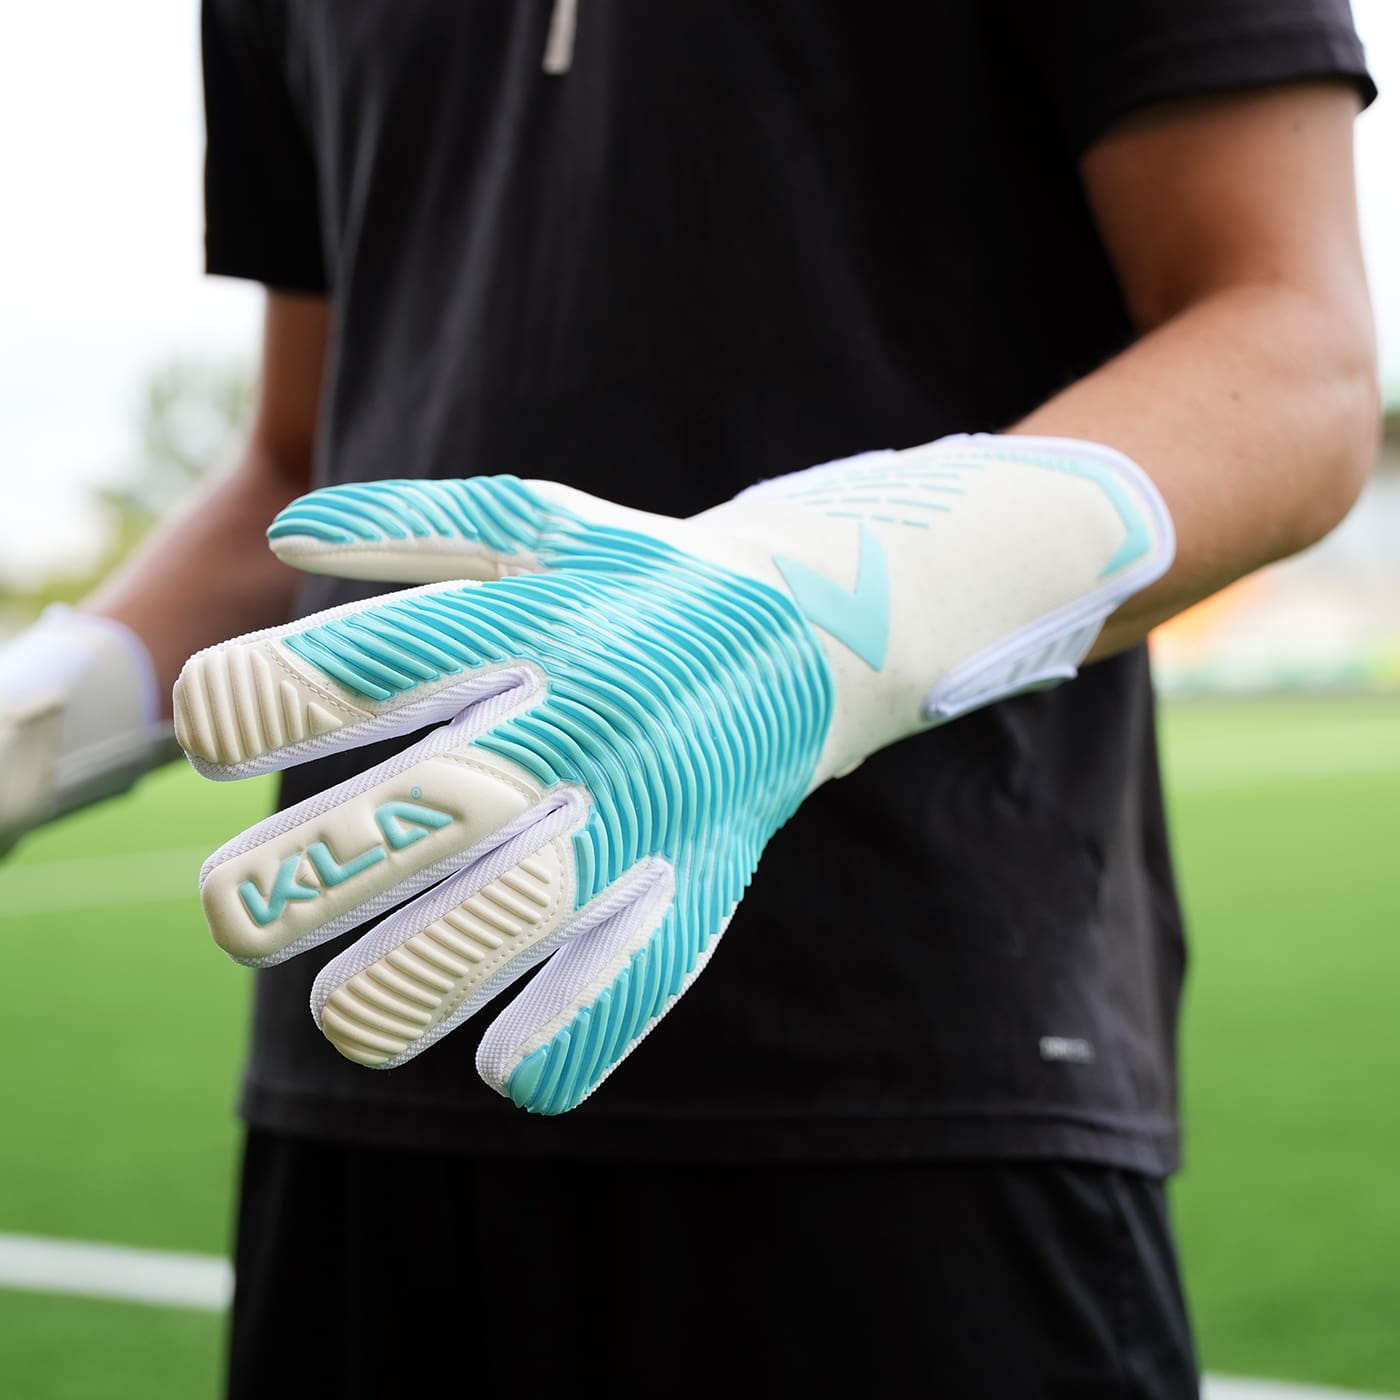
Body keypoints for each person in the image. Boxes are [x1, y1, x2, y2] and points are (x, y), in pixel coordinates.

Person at [0, 2, 1380, 1395]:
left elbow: (1293, 356)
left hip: (920, 1074)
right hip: (377, 1029)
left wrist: (814, 608)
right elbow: (308, 464)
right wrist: (31, 726)